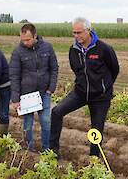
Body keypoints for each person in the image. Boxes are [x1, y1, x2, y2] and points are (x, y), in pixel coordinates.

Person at [50, 17, 119, 158]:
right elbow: (76, 70)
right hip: (80, 93)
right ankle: (53, 151)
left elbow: (114, 69)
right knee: (57, 112)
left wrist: (104, 88)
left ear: (88, 31)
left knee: (96, 129)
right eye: (74, 33)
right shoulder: (73, 50)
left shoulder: (104, 49)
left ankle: (93, 160)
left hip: (100, 97)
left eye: (79, 32)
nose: (76, 36)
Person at [9, 23, 59, 151]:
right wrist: (15, 98)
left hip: (44, 92)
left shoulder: (47, 47)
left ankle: (46, 149)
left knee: (46, 121)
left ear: (35, 36)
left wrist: (51, 88)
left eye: (28, 39)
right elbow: (14, 75)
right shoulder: (18, 52)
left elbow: (54, 69)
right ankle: (29, 149)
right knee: (28, 123)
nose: (25, 42)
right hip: (26, 95)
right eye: (23, 39)